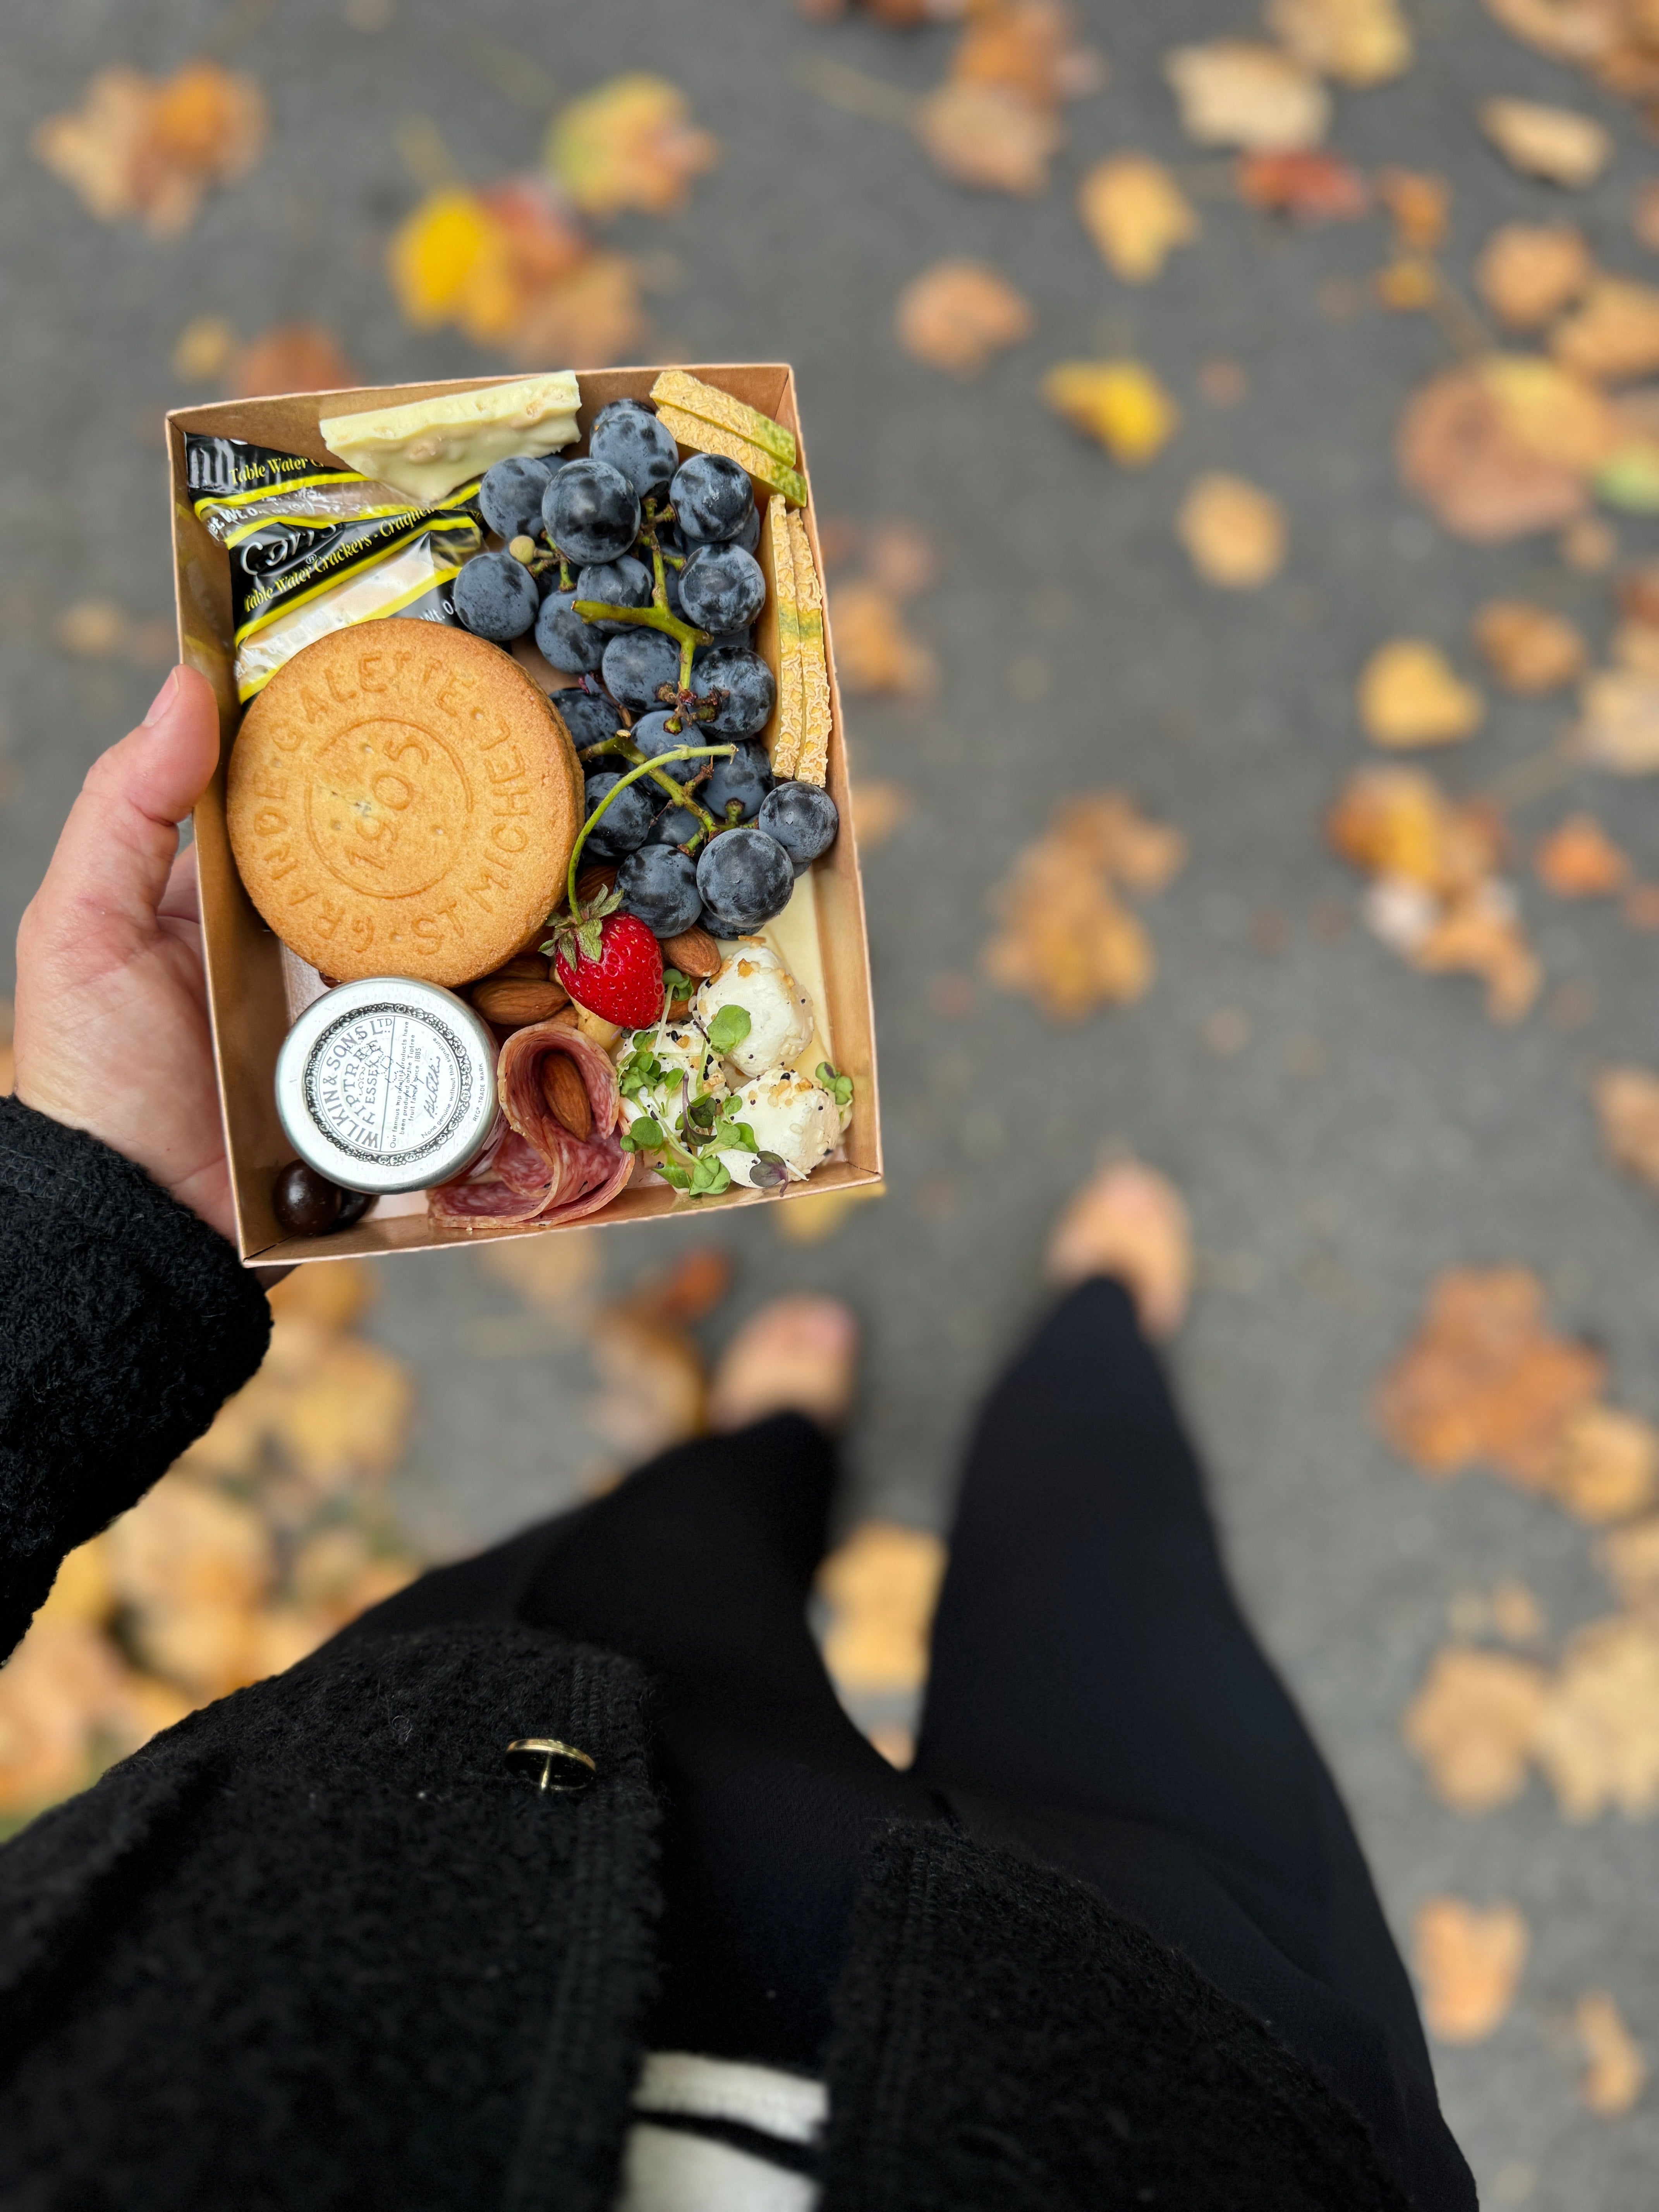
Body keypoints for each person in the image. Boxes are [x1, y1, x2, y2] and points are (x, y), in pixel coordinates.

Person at [0, 668, 1475, 2211]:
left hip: (442, 1809)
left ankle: (779, 1440)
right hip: (1192, 2064)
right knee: (1114, 1561)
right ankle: (1088, 1343)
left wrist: (92, 1232)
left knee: (679, 1541)